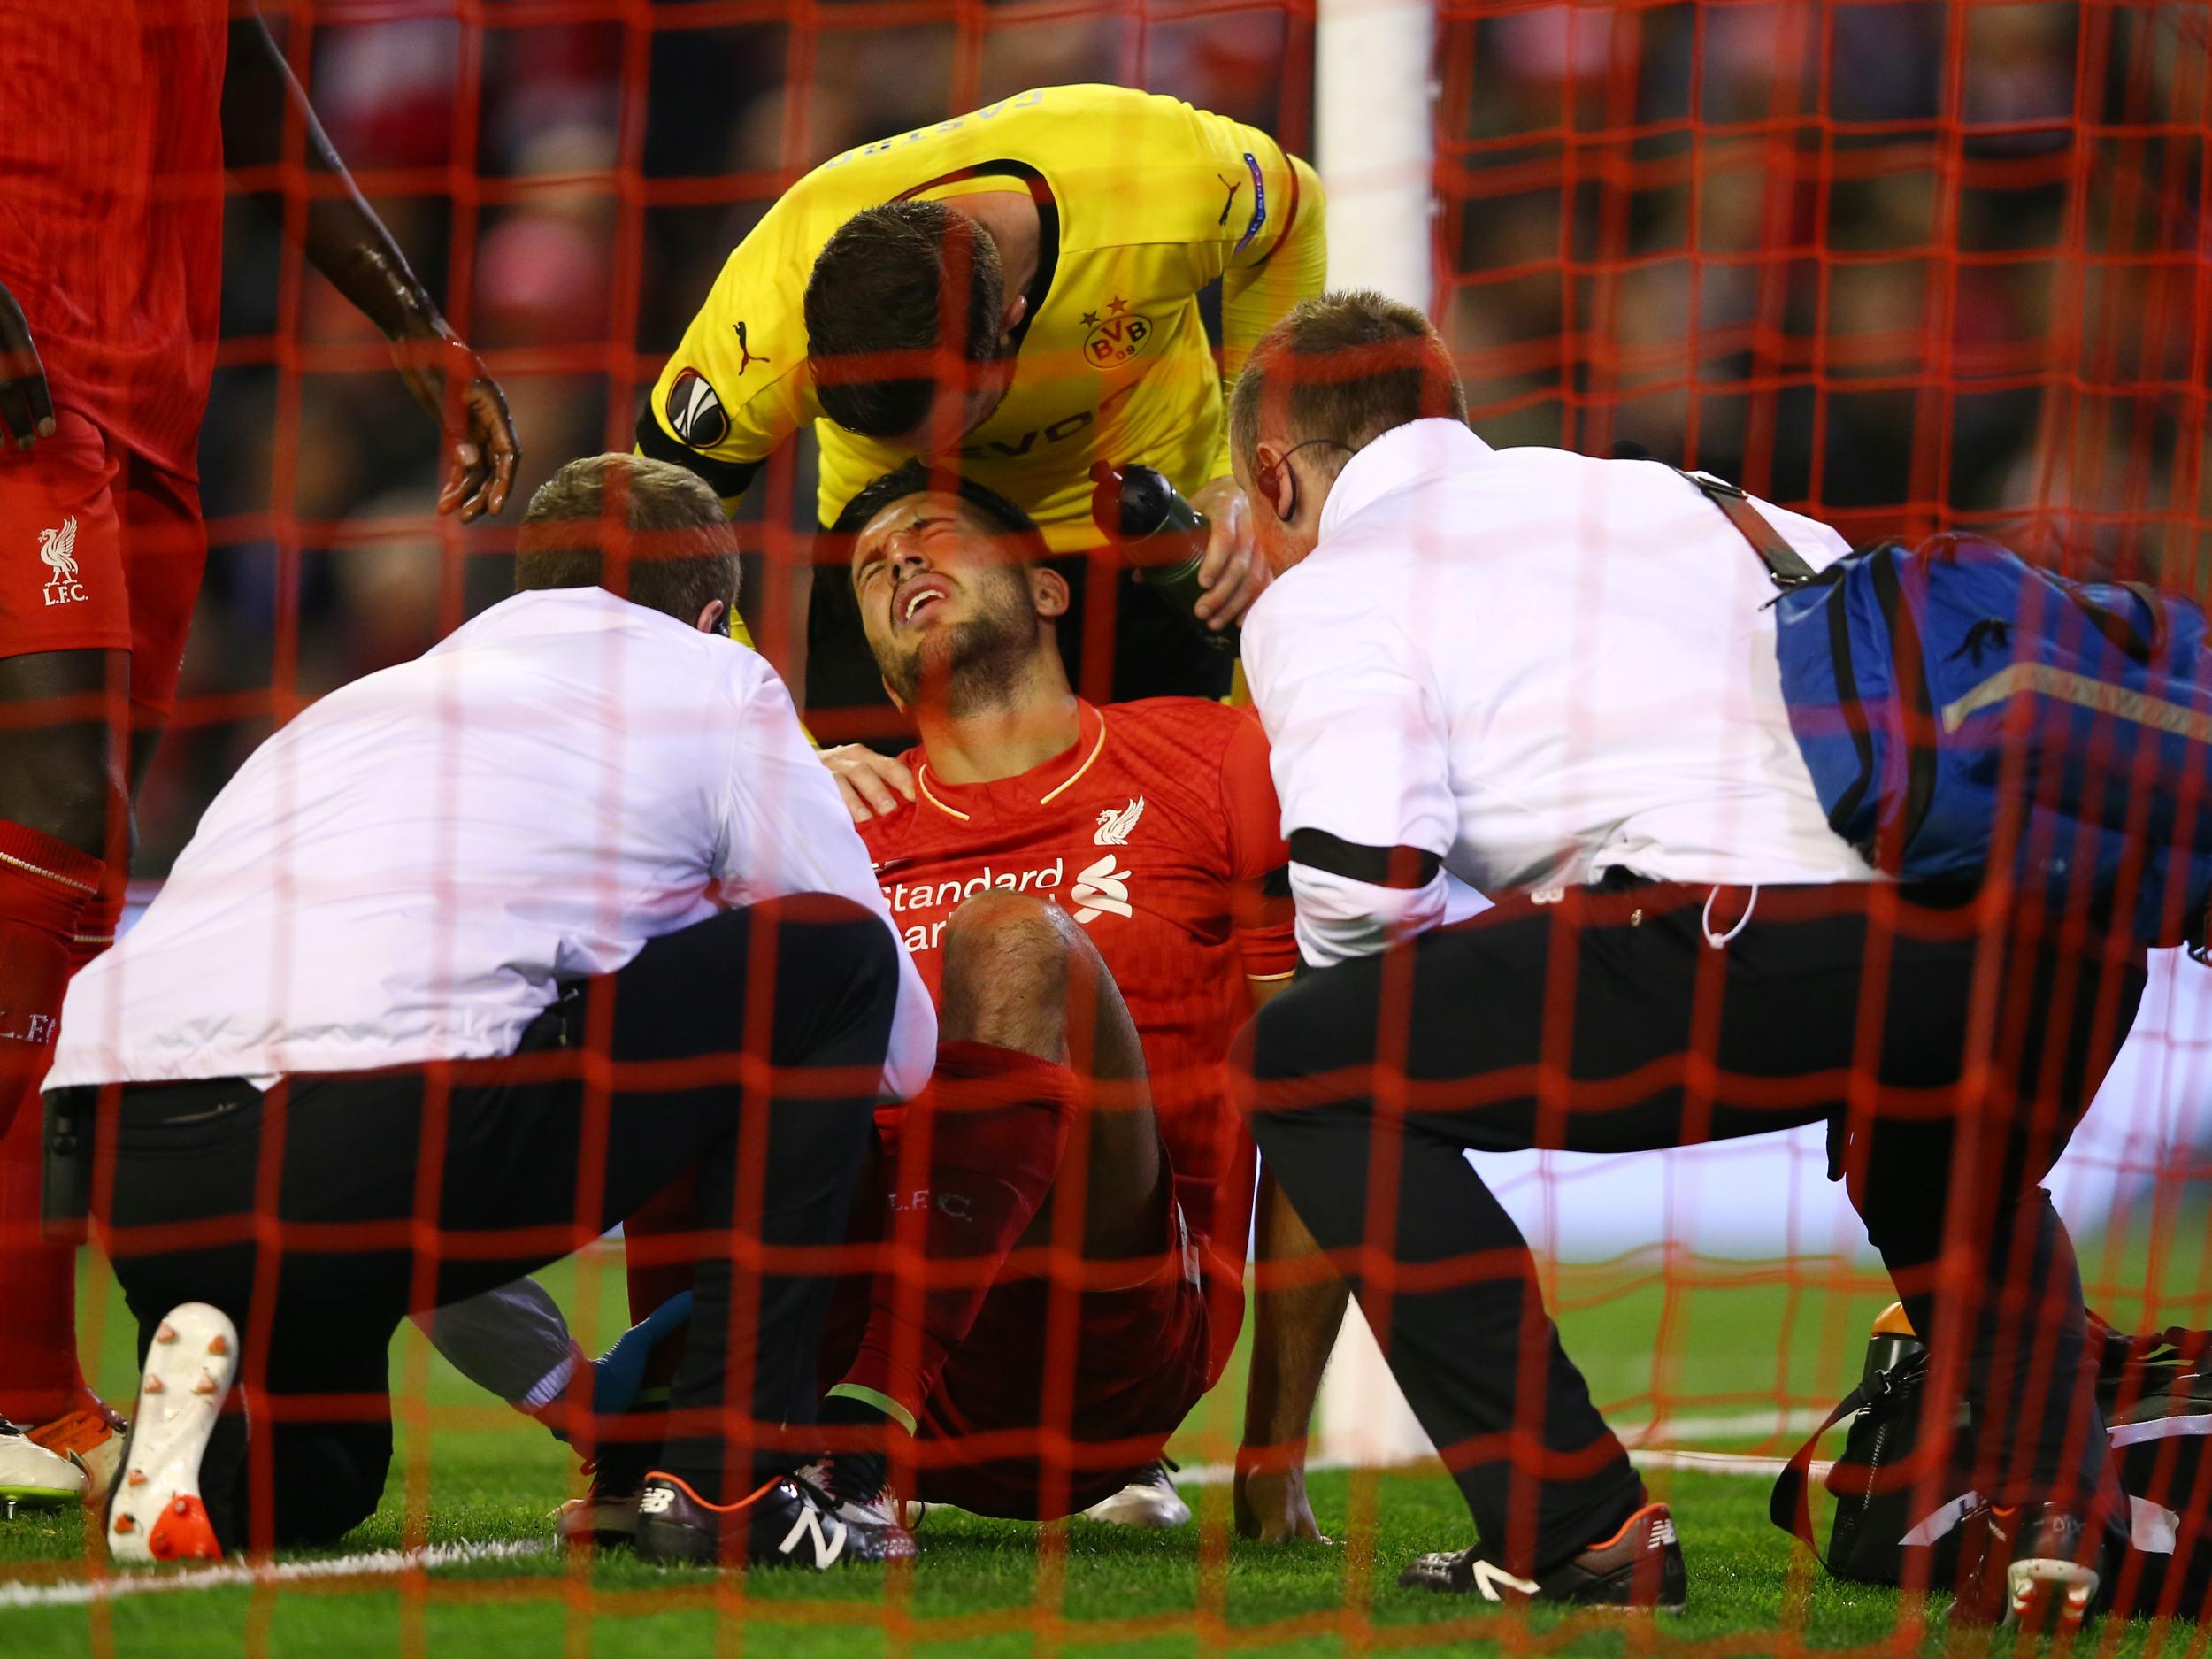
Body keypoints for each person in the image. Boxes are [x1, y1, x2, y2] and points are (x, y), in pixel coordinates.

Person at [1227, 291, 2145, 1620]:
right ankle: (2053, 1511)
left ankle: (1579, 1524)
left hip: (1761, 937)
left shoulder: (1339, 587)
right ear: (1452, 415)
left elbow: (1368, 885)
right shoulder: (1695, 493)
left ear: (1275, 471)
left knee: (1312, 1060)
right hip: (2038, 928)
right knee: (1942, 1147)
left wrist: (1396, 976)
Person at [42, 454, 935, 1571]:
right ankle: (728, 1477)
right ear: (713, 615)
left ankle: (212, 1454)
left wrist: (572, 1389)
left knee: (324, 1480)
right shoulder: (716, 681)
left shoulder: (350, 709)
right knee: (835, 956)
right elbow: (896, 1037)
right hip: (377, 1135)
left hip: (140, 1163)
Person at [587, 458, 1345, 1540]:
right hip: (832, 1318)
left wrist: (1274, 1454)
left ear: (1047, 591)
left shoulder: (1211, 757)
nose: (898, 560)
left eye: (930, 533)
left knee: (1012, 939)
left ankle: (869, 1434)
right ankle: (687, 1434)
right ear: (889, 679)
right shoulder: (839, 826)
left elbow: (1322, 1085)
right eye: (871, 568)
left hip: (1099, 1345)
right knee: (706, 943)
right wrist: (766, 809)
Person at [0, 2, 520, 1497]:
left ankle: (31, 1381)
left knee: (75, 890)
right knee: (47, 835)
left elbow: (250, 92)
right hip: (22, 376)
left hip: (151, 404)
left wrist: (412, 316)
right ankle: (25, 1385)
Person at [637, 84, 1325, 715]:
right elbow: (662, 523)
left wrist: (1246, 480)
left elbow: (1295, 214)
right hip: (897, 565)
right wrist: (772, 744)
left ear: (1011, 320)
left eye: (949, 428)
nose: (940, 457)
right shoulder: (763, 318)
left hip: (1137, 526)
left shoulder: (1155, 178)